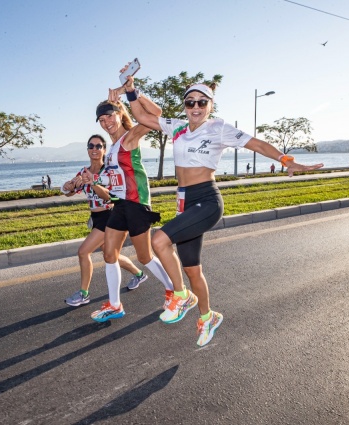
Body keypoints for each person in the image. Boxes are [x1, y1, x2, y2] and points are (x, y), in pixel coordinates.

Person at [123, 74, 323, 346]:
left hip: (207, 200)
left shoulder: (218, 128)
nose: (196, 107)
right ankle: (208, 317)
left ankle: (180, 297)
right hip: (184, 202)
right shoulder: (178, 127)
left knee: (159, 240)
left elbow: (257, 144)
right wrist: (132, 91)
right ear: (185, 105)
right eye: (190, 102)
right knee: (192, 270)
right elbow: (142, 117)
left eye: (202, 103)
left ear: (210, 105)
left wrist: (285, 159)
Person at [80, 90, 175, 323]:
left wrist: (132, 92)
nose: (106, 123)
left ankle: (175, 290)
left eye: (109, 117)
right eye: (102, 121)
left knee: (145, 257)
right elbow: (115, 178)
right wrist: (95, 181)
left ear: (119, 114)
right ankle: (114, 305)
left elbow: (155, 113)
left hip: (136, 204)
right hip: (120, 204)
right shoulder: (111, 148)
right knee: (109, 253)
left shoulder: (130, 137)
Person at [62, 135, 148, 307]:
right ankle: (139, 274)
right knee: (110, 255)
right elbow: (70, 190)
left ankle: (84, 294)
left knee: (83, 252)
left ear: (104, 150)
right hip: (96, 218)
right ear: (87, 149)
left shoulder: (109, 171)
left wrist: (92, 182)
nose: (94, 149)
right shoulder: (83, 171)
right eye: (91, 146)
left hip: (110, 216)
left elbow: (109, 197)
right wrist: (68, 187)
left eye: (99, 146)